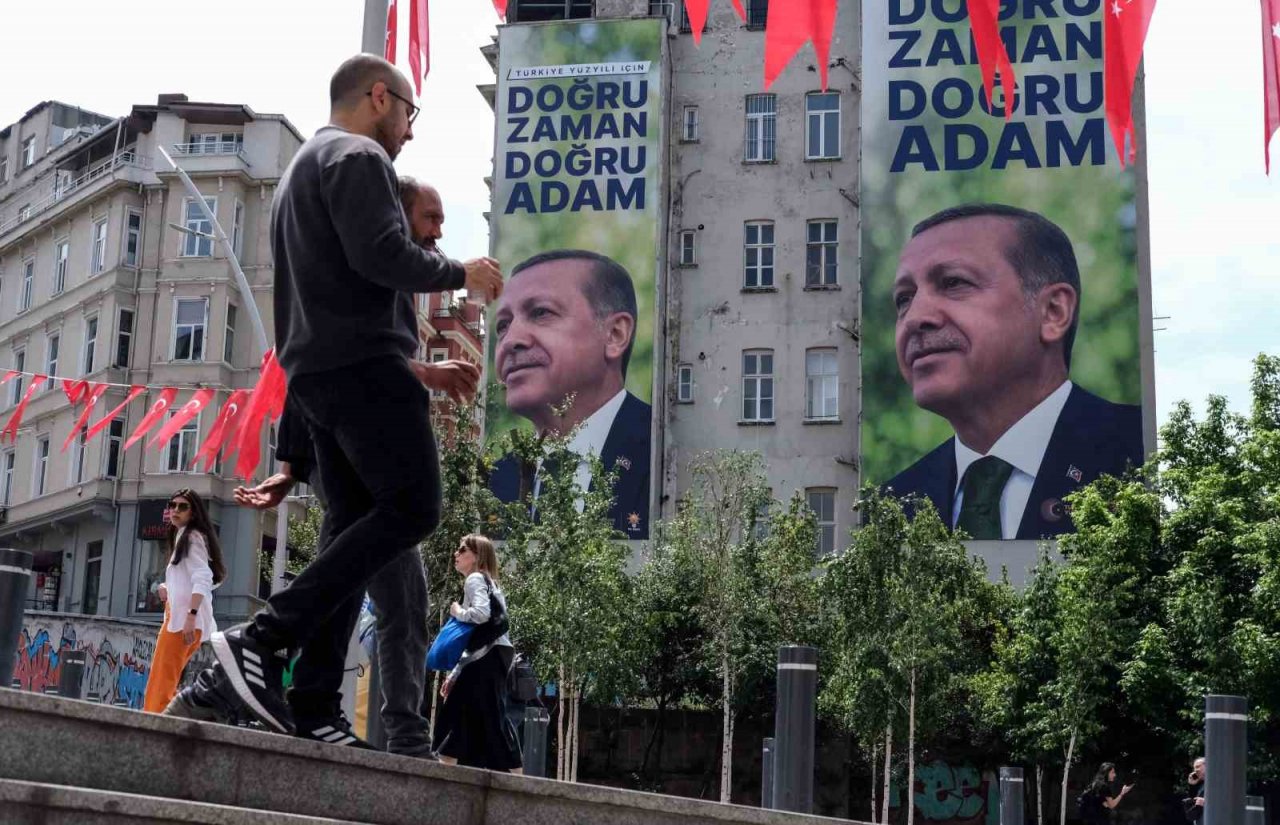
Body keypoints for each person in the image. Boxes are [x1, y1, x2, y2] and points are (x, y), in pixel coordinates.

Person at [203, 53, 503, 737]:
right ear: (377, 97)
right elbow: (381, 256)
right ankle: (261, 637)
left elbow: (306, 306)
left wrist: (289, 454)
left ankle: (310, 703)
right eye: (407, 112)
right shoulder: (360, 160)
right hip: (366, 368)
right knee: (416, 505)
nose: (409, 131)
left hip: (316, 382)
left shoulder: (296, 177)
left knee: (349, 528)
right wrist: (464, 272)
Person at [884, 203, 1144, 540]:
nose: (916, 316)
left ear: (1053, 312)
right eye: (904, 298)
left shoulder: (1145, 455)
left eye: (953, 283)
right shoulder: (890, 508)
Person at [487, 249, 652, 538]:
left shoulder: (664, 449)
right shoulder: (495, 480)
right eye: (503, 325)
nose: (510, 340)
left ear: (615, 334)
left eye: (540, 313)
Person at [431, 534, 522, 772]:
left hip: (485, 658)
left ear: (477, 556)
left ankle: (444, 774)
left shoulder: (474, 579)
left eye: (462, 550)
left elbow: (480, 615)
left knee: (464, 714)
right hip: (493, 656)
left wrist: (457, 611)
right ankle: (516, 777)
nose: (456, 554)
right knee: (483, 716)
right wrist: (455, 673)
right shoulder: (491, 582)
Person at [142, 489, 226, 713]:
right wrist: (167, 588)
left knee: (162, 680)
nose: (175, 510)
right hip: (178, 619)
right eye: (172, 505)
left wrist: (191, 615)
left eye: (182, 506)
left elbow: (203, 577)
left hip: (183, 622)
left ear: (194, 512)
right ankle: (162, 720)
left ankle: (155, 725)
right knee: (163, 678)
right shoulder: (184, 536)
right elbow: (204, 580)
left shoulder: (192, 536)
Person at [1185, 756, 1206, 822]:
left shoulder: (1218, 783)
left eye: (1198, 767)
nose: (1195, 771)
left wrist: (1207, 803)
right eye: (1194, 768)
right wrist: (1192, 786)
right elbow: (1190, 813)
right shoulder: (1200, 786)